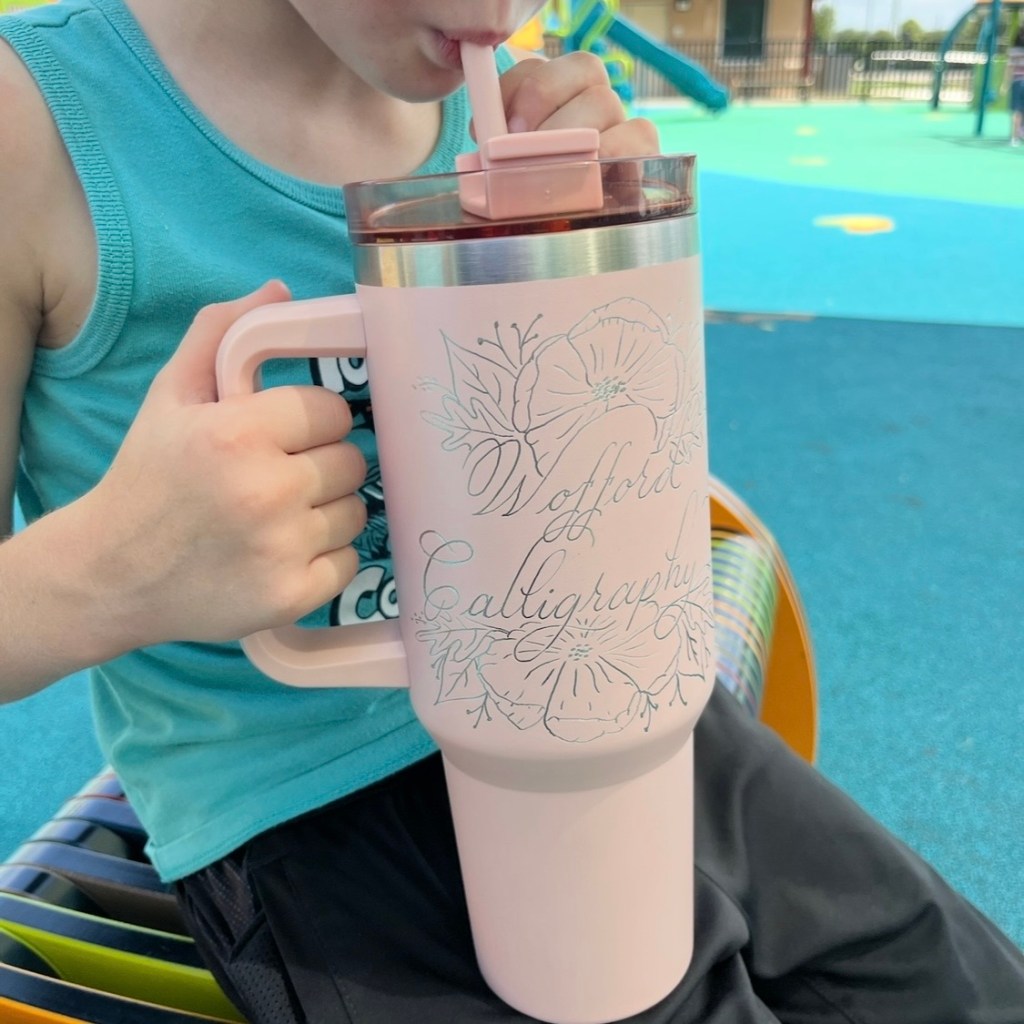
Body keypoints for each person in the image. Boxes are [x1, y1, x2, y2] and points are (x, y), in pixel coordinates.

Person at [1, 2, 1023, 1022]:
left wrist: (602, 242)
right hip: (311, 810)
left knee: (966, 986)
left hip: (625, 716)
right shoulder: (35, 126)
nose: (497, 8)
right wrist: (113, 568)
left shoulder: (495, 122)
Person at [1008, 26, 1024, 146]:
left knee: (1017, 110)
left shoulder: (1014, 51)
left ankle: (1015, 137)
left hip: (1017, 81)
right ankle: (1019, 133)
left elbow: (1010, 67)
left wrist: (1005, 84)